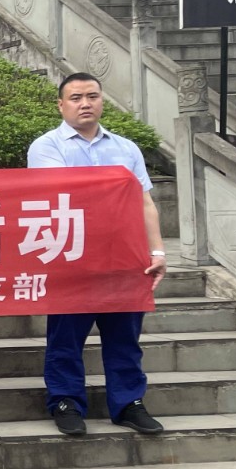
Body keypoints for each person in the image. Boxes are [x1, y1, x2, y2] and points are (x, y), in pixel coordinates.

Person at [27, 73, 167, 436]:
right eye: (76, 98)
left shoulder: (126, 148)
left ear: (103, 101)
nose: (85, 103)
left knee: (124, 337)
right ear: (61, 105)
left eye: (92, 96)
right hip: (70, 256)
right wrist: (112, 186)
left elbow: (144, 202)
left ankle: (129, 403)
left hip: (125, 258)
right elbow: (68, 193)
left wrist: (156, 250)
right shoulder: (46, 147)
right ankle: (66, 402)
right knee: (66, 338)